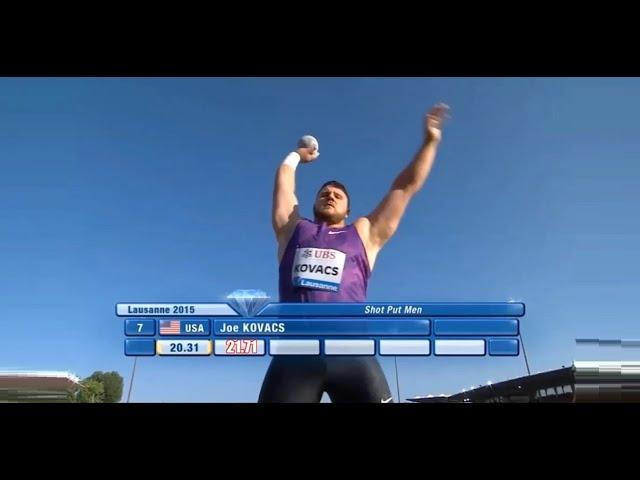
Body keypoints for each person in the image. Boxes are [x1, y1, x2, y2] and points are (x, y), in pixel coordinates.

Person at [258, 103, 450, 403]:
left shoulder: (364, 233)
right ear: (313, 204)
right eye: (324, 192)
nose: (330, 195)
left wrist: (430, 142)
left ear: (348, 209)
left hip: (353, 357)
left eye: (338, 194)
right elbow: (283, 187)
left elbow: (404, 188)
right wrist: (297, 155)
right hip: (295, 357)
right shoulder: (292, 230)